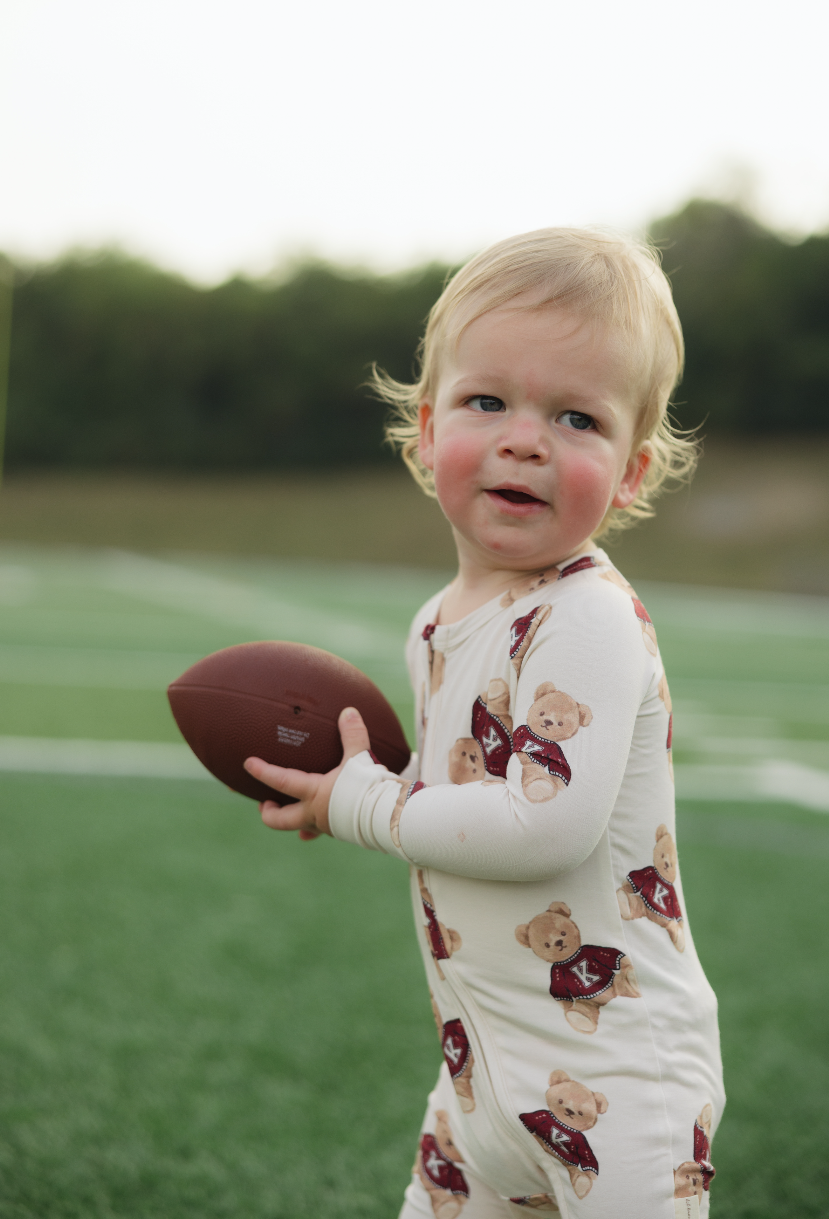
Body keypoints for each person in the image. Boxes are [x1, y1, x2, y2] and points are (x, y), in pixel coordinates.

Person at [245, 229, 724, 1218]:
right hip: (479, 1069)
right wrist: (342, 787)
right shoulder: (438, 619)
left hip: (620, 1076)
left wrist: (366, 804)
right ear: (427, 430)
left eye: (577, 417)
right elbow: (453, 789)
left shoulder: (586, 613)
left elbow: (540, 822)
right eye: (488, 400)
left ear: (631, 473)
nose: (525, 437)